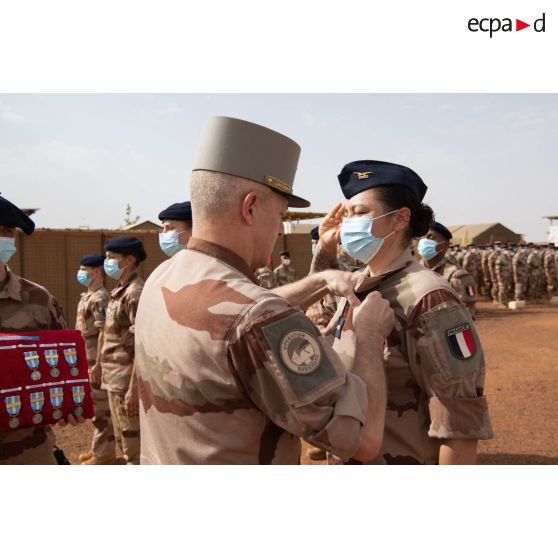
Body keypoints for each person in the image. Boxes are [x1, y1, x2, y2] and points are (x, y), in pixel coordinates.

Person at [134, 116, 394, 464]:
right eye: (281, 215)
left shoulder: (163, 276)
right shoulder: (256, 315)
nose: (278, 228)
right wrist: (369, 336)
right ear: (251, 207)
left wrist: (318, 279)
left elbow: (236, 316)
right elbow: (361, 441)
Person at [313, 160, 493, 464]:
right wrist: (325, 252)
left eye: (358, 213)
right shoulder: (360, 284)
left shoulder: (430, 297)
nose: (347, 224)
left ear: (399, 219)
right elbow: (317, 320)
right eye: (346, 215)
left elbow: (459, 423)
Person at [0, 194, 83, 464]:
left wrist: (70, 404)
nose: (3, 237)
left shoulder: (39, 299)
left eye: (7, 232)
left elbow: (64, 367)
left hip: (28, 451)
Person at [99, 236, 145, 464]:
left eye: (110, 257)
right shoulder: (119, 291)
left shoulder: (135, 293)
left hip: (127, 380)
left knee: (135, 447)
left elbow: (142, 343)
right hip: (115, 379)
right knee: (123, 441)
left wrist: (133, 389)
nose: (106, 262)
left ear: (128, 260)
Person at [74, 253, 116, 465]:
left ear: (97, 272)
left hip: (96, 361)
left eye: (85, 269)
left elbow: (104, 333)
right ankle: (97, 448)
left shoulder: (100, 298)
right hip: (87, 360)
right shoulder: (88, 296)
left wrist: (99, 364)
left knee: (102, 410)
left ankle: (105, 455)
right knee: (96, 408)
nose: (80, 273)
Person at [417, 221, 477, 318]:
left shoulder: (457, 275)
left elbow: (467, 314)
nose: (424, 241)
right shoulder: (412, 271)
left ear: (445, 245)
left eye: (430, 237)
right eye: (422, 237)